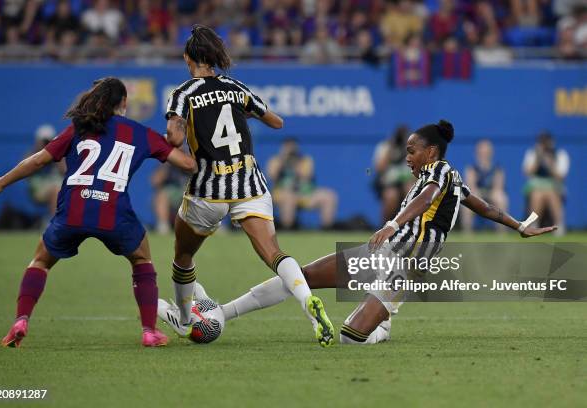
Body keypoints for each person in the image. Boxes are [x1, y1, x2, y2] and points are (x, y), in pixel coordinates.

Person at [215, 120, 556, 344]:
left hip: (403, 268)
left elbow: (426, 199)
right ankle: (221, 314)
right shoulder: (448, 181)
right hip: (379, 252)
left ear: (431, 151)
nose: (407, 156)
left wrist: (394, 222)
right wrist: (519, 225)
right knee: (300, 278)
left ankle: (382, 326)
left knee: (351, 337)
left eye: (412, 150)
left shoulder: (441, 173)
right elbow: (485, 207)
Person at [0, 77, 197, 348]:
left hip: (73, 209)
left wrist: (2, 182)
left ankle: (21, 320)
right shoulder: (140, 133)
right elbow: (188, 164)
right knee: (142, 260)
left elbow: (38, 160)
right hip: (113, 211)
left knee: (40, 262)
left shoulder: (78, 129)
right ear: (124, 103)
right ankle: (149, 331)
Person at [158, 25, 335, 347]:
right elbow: (276, 121)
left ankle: (184, 321)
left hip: (209, 189)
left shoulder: (183, 93)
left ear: (188, 58)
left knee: (183, 256)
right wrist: (241, 113)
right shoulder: (236, 88)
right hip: (250, 183)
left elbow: (175, 137)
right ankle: (307, 301)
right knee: (274, 253)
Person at [267, 138, 338, 230]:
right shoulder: (275, 160)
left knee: (329, 196)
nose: (291, 149)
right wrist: (283, 159)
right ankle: (287, 229)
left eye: (293, 146)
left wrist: (295, 163)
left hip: (304, 193)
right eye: (288, 146)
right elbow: (272, 176)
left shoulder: (305, 160)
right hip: (282, 193)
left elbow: (306, 176)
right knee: (289, 198)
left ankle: (326, 229)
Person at [522, 131, 569, 235]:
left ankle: (558, 226)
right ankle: (534, 224)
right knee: (537, 194)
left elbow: (561, 177)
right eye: (541, 142)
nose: (544, 146)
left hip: (555, 187)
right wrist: (538, 159)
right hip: (536, 186)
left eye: (546, 142)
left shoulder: (560, 154)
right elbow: (527, 172)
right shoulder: (532, 153)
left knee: (551, 194)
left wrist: (550, 164)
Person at [462, 139, 508, 232]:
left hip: (492, 195)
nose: (484, 154)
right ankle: (467, 233)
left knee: (501, 198)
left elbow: (498, 187)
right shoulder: (471, 168)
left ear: (491, 153)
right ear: (477, 153)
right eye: (482, 152)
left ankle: (502, 232)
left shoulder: (497, 169)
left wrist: (488, 193)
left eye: (487, 152)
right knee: (467, 199)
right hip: (477, 194)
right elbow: (471, 187)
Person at [372, 125, 414, 224]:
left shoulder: (414, 149)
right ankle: (384, 227)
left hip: (408, 181)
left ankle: (411, 226)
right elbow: (379, 168)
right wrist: (391, 149)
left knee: (411, 189)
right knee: (391, 196)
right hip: (387, 183)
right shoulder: (385, 146)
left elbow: (419, 171)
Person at [27, 124, 65, 223]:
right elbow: (27, 172)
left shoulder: (58, 155)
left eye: (48, 141)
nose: (45, 143)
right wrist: (40, 153)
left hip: (58, 187)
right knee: (55, 190)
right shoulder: (31, 155)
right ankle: (54, 223)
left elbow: (65, 171)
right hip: (39, 189)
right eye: (44, 141)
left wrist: (56, 152)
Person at [151, 162, 190, 234]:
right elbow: (155, 181)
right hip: (173, 194)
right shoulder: (168, 163)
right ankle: (163, 227)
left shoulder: (193, 160)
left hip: (189, 193)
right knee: (161, 195)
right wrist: (165, 166)